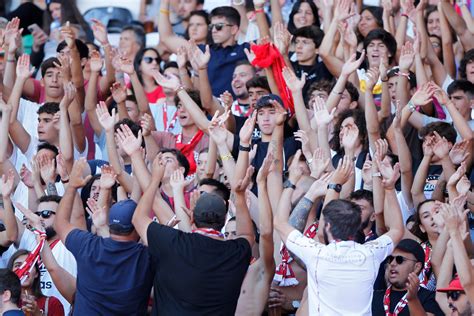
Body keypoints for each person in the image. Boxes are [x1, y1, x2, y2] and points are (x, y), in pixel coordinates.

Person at [274, 150, 405, 315]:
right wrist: (390, 187)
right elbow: (397, 230)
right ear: (357, 225)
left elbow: (279, 223)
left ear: (327, 227)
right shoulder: (370, 253)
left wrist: (292, 181)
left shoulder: (317, 253)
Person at [132, 152, 255, 315]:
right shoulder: (235, 252)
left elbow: (138, 219)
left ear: (192, 217)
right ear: (225, 218)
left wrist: (155, 179)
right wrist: (239, 197)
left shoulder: (172, 242)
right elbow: (247, 235)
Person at [54, 159, 154, 315]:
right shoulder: (146, 256)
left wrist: (71, 186)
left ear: (110, 226)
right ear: (137, 230)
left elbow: (60, 223)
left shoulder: (88, 245)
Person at [372, 239, 444, 315]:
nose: (392, 263)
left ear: (417, 267)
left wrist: (413, 299)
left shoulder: (428, 298)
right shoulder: (373, 297)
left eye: (400, 260)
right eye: (391, 259)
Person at [7, 250, 64, 316]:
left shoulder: (53, 304)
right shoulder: (3, 303)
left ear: (36, 273)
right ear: (10, 272)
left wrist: (38, 314)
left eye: (29, 265)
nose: (24, 269)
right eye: (18, 265)